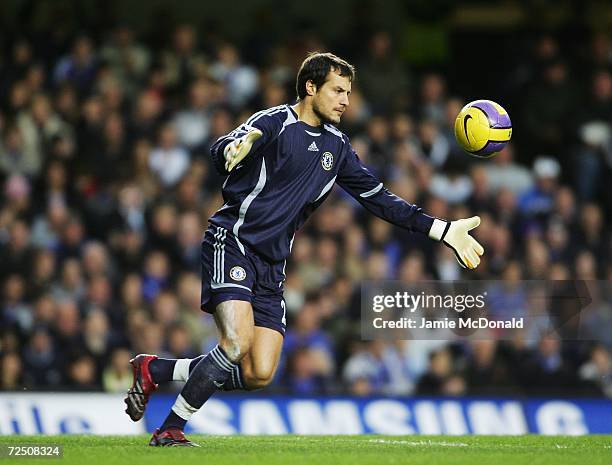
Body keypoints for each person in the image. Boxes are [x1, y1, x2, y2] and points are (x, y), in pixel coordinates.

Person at [123, 52, 484, 446]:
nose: (346, 100)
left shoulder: (338, 147)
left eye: (349, 92)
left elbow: (380, 198)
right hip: (234, 243)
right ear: (311, 88)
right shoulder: (274, 122)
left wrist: (442, 229)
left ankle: (155, 369)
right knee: (236, 342)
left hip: (272, 265)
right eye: (338, 90)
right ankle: (171, 428)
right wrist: (231, 150)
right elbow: (227, 146)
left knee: (259, 371)